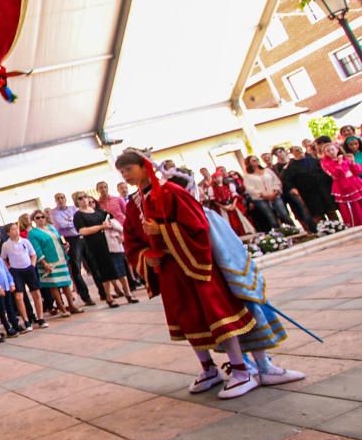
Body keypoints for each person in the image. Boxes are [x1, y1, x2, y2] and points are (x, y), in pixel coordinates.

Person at [117, 149, 304, 398]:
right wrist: (144, 257)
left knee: (222, 316)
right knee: (188, 320)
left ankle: (244, 370)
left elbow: (197, 225)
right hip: (171, 271)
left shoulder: (172, 192)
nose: (125, 176)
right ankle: (210, 369)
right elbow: (131, 240)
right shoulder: (134, 204)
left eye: (128, 170)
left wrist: (162, 231)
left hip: (196, 266)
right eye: (121, 172)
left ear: (143, 166)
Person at [73, 195, 131, 306]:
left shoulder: (99, 212)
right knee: (105, 273)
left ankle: (128, 294)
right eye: (80, 198)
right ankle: (109, 297)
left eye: (86, 197)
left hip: (111, 244)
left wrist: (118, 234)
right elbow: (83, 231)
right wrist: (101, 227)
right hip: (96, 247)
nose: (84, 200)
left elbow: (112, 222)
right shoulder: (78, 215)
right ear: (76, 201)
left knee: (120, 269)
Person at [28, 211, 82, 316]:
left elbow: (60, 240)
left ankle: (71, 305)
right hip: (49, 262)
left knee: (66, 283)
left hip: (61, 258)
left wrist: (65, 246)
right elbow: (37, 249)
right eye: (37, 218)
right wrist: (44, 263)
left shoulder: (51, 228)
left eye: (42, 217)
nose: (40, 219)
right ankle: (61, 308)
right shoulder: (33, 233)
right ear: (33, 220)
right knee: (54, 285)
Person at [50, 193, 96, 305]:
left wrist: (69, 221)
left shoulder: (73, 209)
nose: (60, 200)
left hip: (81, 236)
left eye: (62, 198)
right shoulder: (54, 212)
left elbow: (77, 222)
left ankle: (103, 291)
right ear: (55, 201)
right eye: (58, 199)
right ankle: (85, 296)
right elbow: (61, 225)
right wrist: (70, 221)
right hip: (68, 239)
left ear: (65, 199)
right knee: (76, 268)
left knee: (93, 264)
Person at [0, 223, 47, 328]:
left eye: (16, 229)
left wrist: (32, 265)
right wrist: (9, 268)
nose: (15, 231)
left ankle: (40, 318)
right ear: (8, 233)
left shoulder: (25, 241)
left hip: (28, 268)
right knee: (18, 296)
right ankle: (26, 321)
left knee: (36, 293)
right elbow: (3, 258)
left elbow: (33, 254)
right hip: (16, 271)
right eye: (12, 229)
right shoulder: (6, 245)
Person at [284, 145, 340, 226]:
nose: (299, 151)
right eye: (296, 150)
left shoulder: (313, 160)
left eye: (300, 149)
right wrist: (293, 188)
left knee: (330, 209)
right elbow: (288, 181)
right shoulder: (290, 166)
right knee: (317, 213)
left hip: (322, 189)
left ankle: (337, 225)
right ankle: (324, 228)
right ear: (292, 153)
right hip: (308, 193)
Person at [243, 155, 294, 230]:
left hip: (274, 195)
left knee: (284, 214)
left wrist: (275, 191)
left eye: (257, 159)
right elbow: (250, 188)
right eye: (253, 160)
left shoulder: (267, 171)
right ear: (249, 163)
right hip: (260, 199)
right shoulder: (248, 176)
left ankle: (293, 230)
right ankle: (279, 235)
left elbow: (276, 181)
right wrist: (263, 195)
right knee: (271, 217)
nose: (256, 161)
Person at [320, 142, 362, 226]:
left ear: (337, 149)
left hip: (355, 183)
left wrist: (353, 162)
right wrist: (340, 162)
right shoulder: (325, 163)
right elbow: (336, 174)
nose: (331, 152)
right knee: (352, 206)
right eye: (328, 151)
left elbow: (357, 171)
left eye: (332, 149)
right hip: (343, 186)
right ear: (325, 153)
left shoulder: (345, 158)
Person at [210, 171, 254, 236]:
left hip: (233, 206)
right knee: (227, 222)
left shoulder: (229, 185)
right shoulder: (212, 189)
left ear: (222, 177)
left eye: (219, 177)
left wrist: (233, 205)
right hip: (223, 209)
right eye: (215, 178)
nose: (217, 179)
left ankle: (245, 233)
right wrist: (223, 207)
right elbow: (214, 201)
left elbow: (235, 196)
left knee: (239, 221)